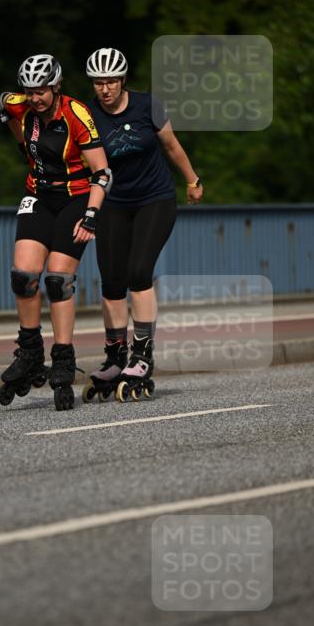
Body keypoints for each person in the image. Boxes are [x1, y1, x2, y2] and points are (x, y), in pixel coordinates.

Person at [82, 46, 203, 402]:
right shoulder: (87, 114)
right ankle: (115, 355)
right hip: (114, 202)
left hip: (155, 199)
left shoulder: (148, 105)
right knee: (112, 280)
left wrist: (192, 180)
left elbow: (171, 145)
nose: (105, 89)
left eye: (111, 81)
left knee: (138, 271)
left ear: (123, 80)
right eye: (98, 82)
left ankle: (143, 354)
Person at [0, 54, 112, 410]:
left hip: (76, 198)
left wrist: (91, 215)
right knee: (23, 276)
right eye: (30, 91)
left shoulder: (76, 115)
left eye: (43, 90)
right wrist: (19, 138)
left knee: (58, 281)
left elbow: (103, 173)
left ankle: (62, 359)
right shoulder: (21, 105)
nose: (36, 98)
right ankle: (30, 351)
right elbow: (5, 104)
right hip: (39, 194)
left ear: (56, 86)